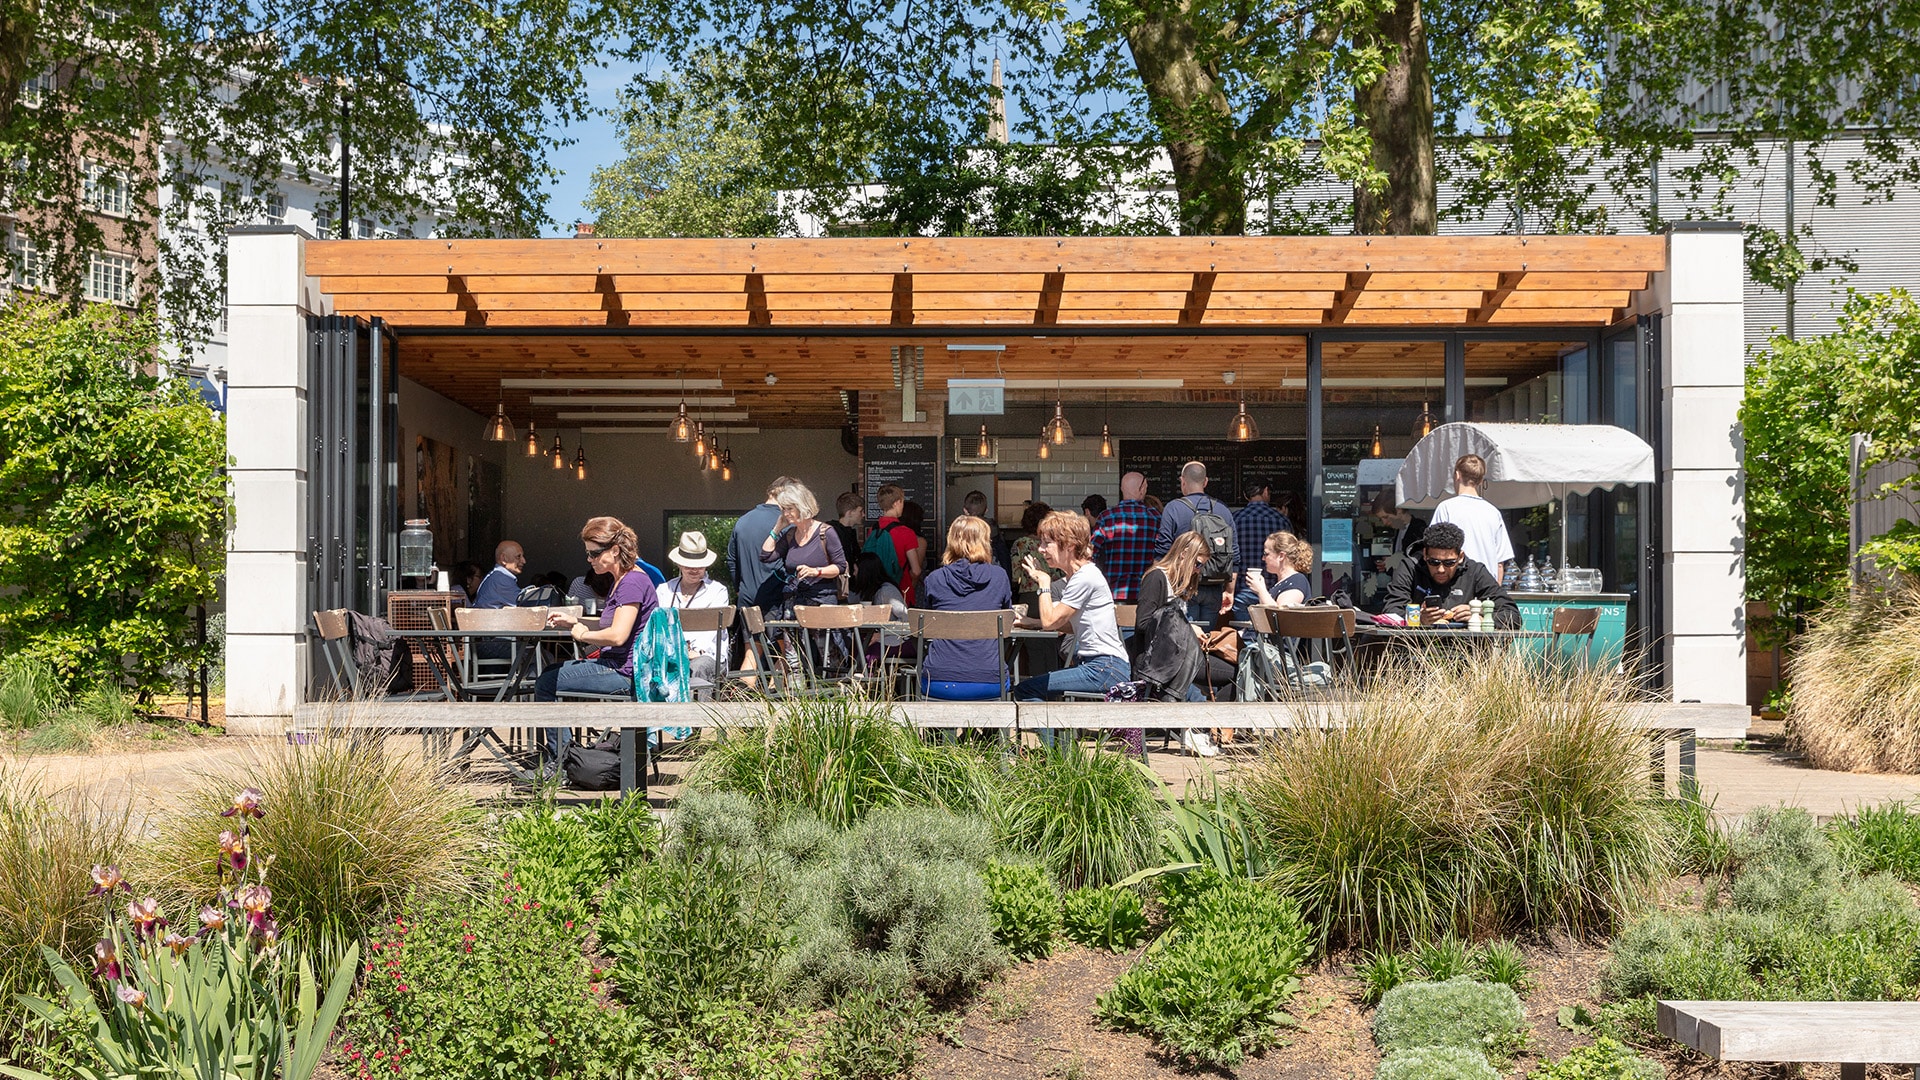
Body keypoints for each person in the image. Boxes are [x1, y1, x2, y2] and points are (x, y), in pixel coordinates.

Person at [534, 516, 660, 767]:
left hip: (625, 673)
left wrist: (582, 635)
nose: (589, 560)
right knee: (550, 674)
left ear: (615, 550)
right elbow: (611, 625)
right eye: (588, 554)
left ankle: (561, 764)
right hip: (621, 667)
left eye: (593, 553)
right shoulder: (624, 579)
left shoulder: (631, 582)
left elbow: (617, 636)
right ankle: (567, 757)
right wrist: (574, 622)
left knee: (546, 683)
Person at [1013, 511, 1130, 724]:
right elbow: (1071, 625)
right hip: (1104, 666)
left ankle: (1052, 745)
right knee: (1037, 689)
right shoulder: (1079, 576)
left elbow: (1051, 622)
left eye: (1047, 543)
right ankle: (1058, 742)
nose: (1041, 549)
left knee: (1026, 689)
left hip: (1104, 667)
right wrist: (1034, 623)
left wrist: (1044, 583)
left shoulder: (1085, 577)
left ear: (1068, 545)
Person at [919, 515, 1015, 700]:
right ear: (985, 542)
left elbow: (928, 626)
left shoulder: (934, 579)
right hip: (990, 679)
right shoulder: (999, 577)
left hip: (938, 679)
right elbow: (1007, 620)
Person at [1132, 534, 1210, 743]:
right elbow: (1143, 623)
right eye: (1197, 564)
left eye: (1201, 566)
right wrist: (1187, 628)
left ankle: (1206, 727)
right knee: (1230, 673)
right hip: (1159, 663)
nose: (1198, 570)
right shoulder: (1156, 578)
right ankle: (1203, 728)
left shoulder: (1177, 582)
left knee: (1235, 669)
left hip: (1176, 659)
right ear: (1184, 554)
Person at [1383, 521, 1521, 627]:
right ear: (1425, 554)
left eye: (1449, 563)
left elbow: (1513, 616)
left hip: (1464, 648)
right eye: (1434, 562)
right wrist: (1418, 619)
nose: (1441, 569)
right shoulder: (1410, 567)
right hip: (1417, 647)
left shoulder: (1475, 571)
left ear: (1460, 557)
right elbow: (1390, 611)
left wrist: (1478, 615)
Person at [1153, 461, 1238, 625]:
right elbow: (1234, 554)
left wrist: (1159, 586)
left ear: (1182, 481)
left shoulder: (1173, 508)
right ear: (1205, 482)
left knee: (1184, 635)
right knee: (1206, 637)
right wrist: (1229, 591)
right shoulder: (1223, 510)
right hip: (1214, 586)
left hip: (1183, 585)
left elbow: (1162, 551)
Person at [759, 481, 848, 610]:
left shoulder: (826, 532)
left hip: (821, 602)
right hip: (794, 602)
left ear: (802, 507)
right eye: (783, 509)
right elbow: (765, 556)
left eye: (790, 509)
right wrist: (776, 529)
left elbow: (840, 567)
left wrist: (815, 571)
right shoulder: (790, 534)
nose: (785, 513)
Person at [660, 530, 730, 684]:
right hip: (669, 653)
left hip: (705, 656)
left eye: (700, 565)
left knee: (697, 667)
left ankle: (695, 701)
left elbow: (712, 633)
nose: (694, 570)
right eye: (688, 565)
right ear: (679, 564)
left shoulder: (717, 591)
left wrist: (694, 652)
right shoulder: (664, 590)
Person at [1431, 454, 1514, 582]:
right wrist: (1495, 591)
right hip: (1486, 584)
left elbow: (1434, 550)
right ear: (1480, 481)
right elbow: (1499, 563)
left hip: (1455, 584)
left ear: (1457, 475)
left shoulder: (1446, 508)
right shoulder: (1493, 512)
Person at [729, 476, 797, 613]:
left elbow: (732, 561)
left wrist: (739, 589)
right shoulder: (788, 524)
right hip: (777, 601)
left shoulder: (742, 521)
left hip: (746, 599)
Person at [1092, 472, 1160, 605]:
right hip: (1147, 593)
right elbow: (1164, 554)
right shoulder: (1155, 518)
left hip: (1113, 592)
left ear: (1122, 489)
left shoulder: (1107, 517)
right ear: (1142, 489)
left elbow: (1091, 553)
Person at [1229, 478, 1286, 620]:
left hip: (1242, 587)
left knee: (1244, 631)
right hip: (1273, 589)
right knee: (1272, 630)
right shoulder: (1281, 520)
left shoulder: (1234, 519)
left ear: (1245, 495)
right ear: (1266, 491)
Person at [869, 484, 925, 605]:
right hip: (901, 590)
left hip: (876, 590)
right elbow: (916, 570)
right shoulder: (906, 532)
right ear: (897, 503)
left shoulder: (873, 530)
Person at [1243, 531, 1314, 608]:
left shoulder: (1297, 582)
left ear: (1281, 556)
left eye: (1266, 554)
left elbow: (1280, 613)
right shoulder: (1283, 581)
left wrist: (1261, 590)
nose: (1263, 558)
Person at [1008, 501, 1052, 606]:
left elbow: (1015, 575)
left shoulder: (1021, 544)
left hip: (1029, 594)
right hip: (1054, 592)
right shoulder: (1054, 543)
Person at [830, 490, 865, 566]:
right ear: (850, 513)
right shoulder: (832, 533)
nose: (863, 515)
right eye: (860, 511)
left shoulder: (850, 533)